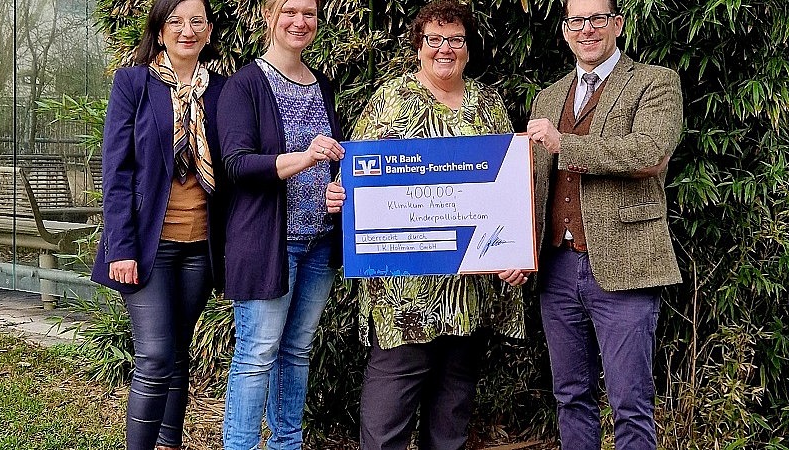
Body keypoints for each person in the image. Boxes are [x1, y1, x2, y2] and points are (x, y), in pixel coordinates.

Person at [326, 1, 525, 448]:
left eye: (455, 39)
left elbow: (510, 190)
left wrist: (515, 253)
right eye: (434, 39)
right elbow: (353, 174)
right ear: (418, 46)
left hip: (468, 294)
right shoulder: (390, 100)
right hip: (404, 298)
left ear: (468, 49)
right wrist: (339, 193)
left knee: (450, 423)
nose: (445, 48)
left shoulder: (489, 106)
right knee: (385, 425)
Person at [502, 0, 683, 448]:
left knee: (630, 403)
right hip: (557, 268)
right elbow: (536, 185)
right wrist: (519, 249)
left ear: (616, 24)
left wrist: (565, 143)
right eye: (577, 21)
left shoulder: (655, 81)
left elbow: (649, 153)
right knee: (570, 397)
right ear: (565, 30)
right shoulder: (548, 96)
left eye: (597, 19)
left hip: (626, 264)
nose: (587, 29)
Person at [90, 0, 226, 449]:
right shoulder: (133, 83)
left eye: (197, 21)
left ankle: (170, 443)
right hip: (148, 247)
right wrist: (121, 248)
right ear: (160, 29)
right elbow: (117, 171)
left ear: (209, 31)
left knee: (177, 353)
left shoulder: (220, 90)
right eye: (176, 21)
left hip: (200, 247)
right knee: (154, 356)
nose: (187, 30)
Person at [216, 0, 345, 447]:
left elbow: (335, 160)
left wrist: (336, 189)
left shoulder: (322, 85)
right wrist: (305, 158)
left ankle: (287, 444)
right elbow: (237, 164)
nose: (300, 22)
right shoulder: (244, 85)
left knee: (296, 351)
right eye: (289, 11)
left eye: (309, 13)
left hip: (319, 244)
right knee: (256, 355)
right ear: (268, 15)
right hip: (268, 244)